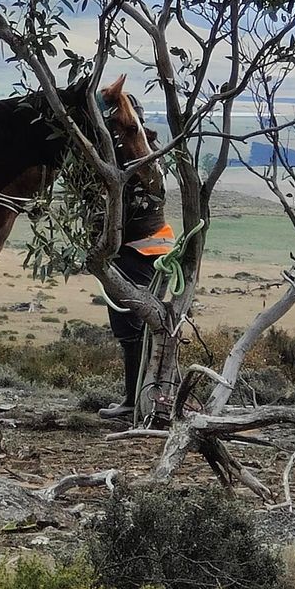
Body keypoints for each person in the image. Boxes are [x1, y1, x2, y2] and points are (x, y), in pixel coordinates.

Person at [95, 89, 175, 420]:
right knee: (136, 328)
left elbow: (126, 212)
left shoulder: (134, 159)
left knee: (132, 329)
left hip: (140, 250)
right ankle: (141, 397)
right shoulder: (147, 152)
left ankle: (137, 399)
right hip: (149, 249)